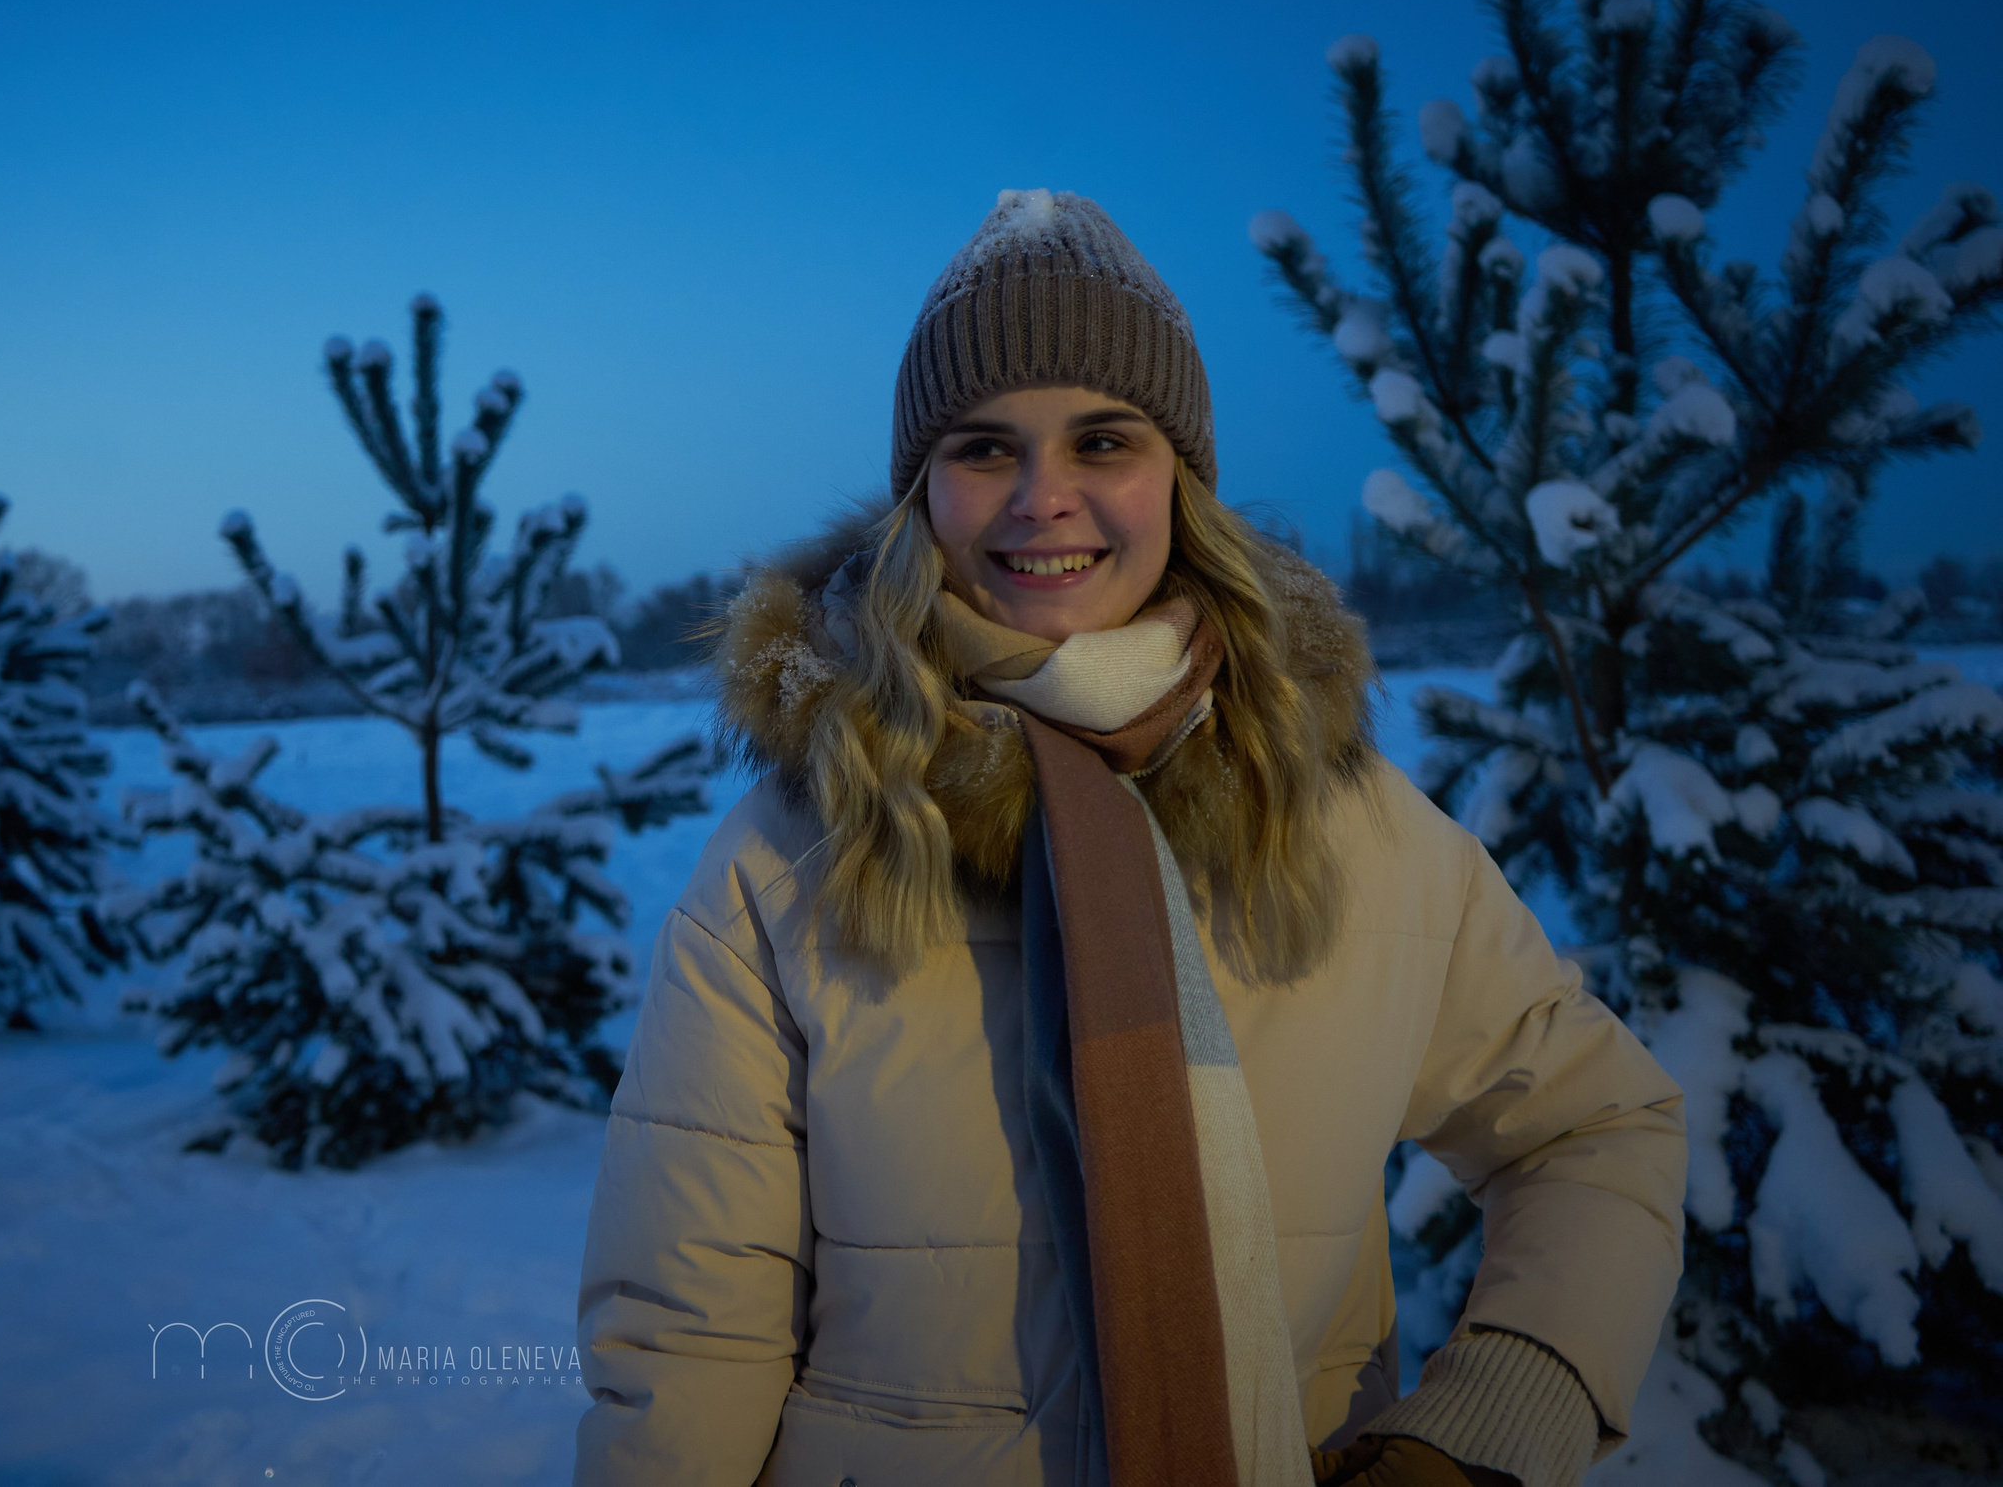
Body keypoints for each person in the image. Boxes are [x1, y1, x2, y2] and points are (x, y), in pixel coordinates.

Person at [572, 190, 1685, 1487]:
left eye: (1103, 440)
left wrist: (1486, 1429)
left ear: (1180, 481)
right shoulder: (792, 854)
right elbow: (689, 1333)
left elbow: (1594, 1128)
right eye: (985, 449)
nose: (1045, 498)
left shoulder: (1350, 827)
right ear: (921, 496)